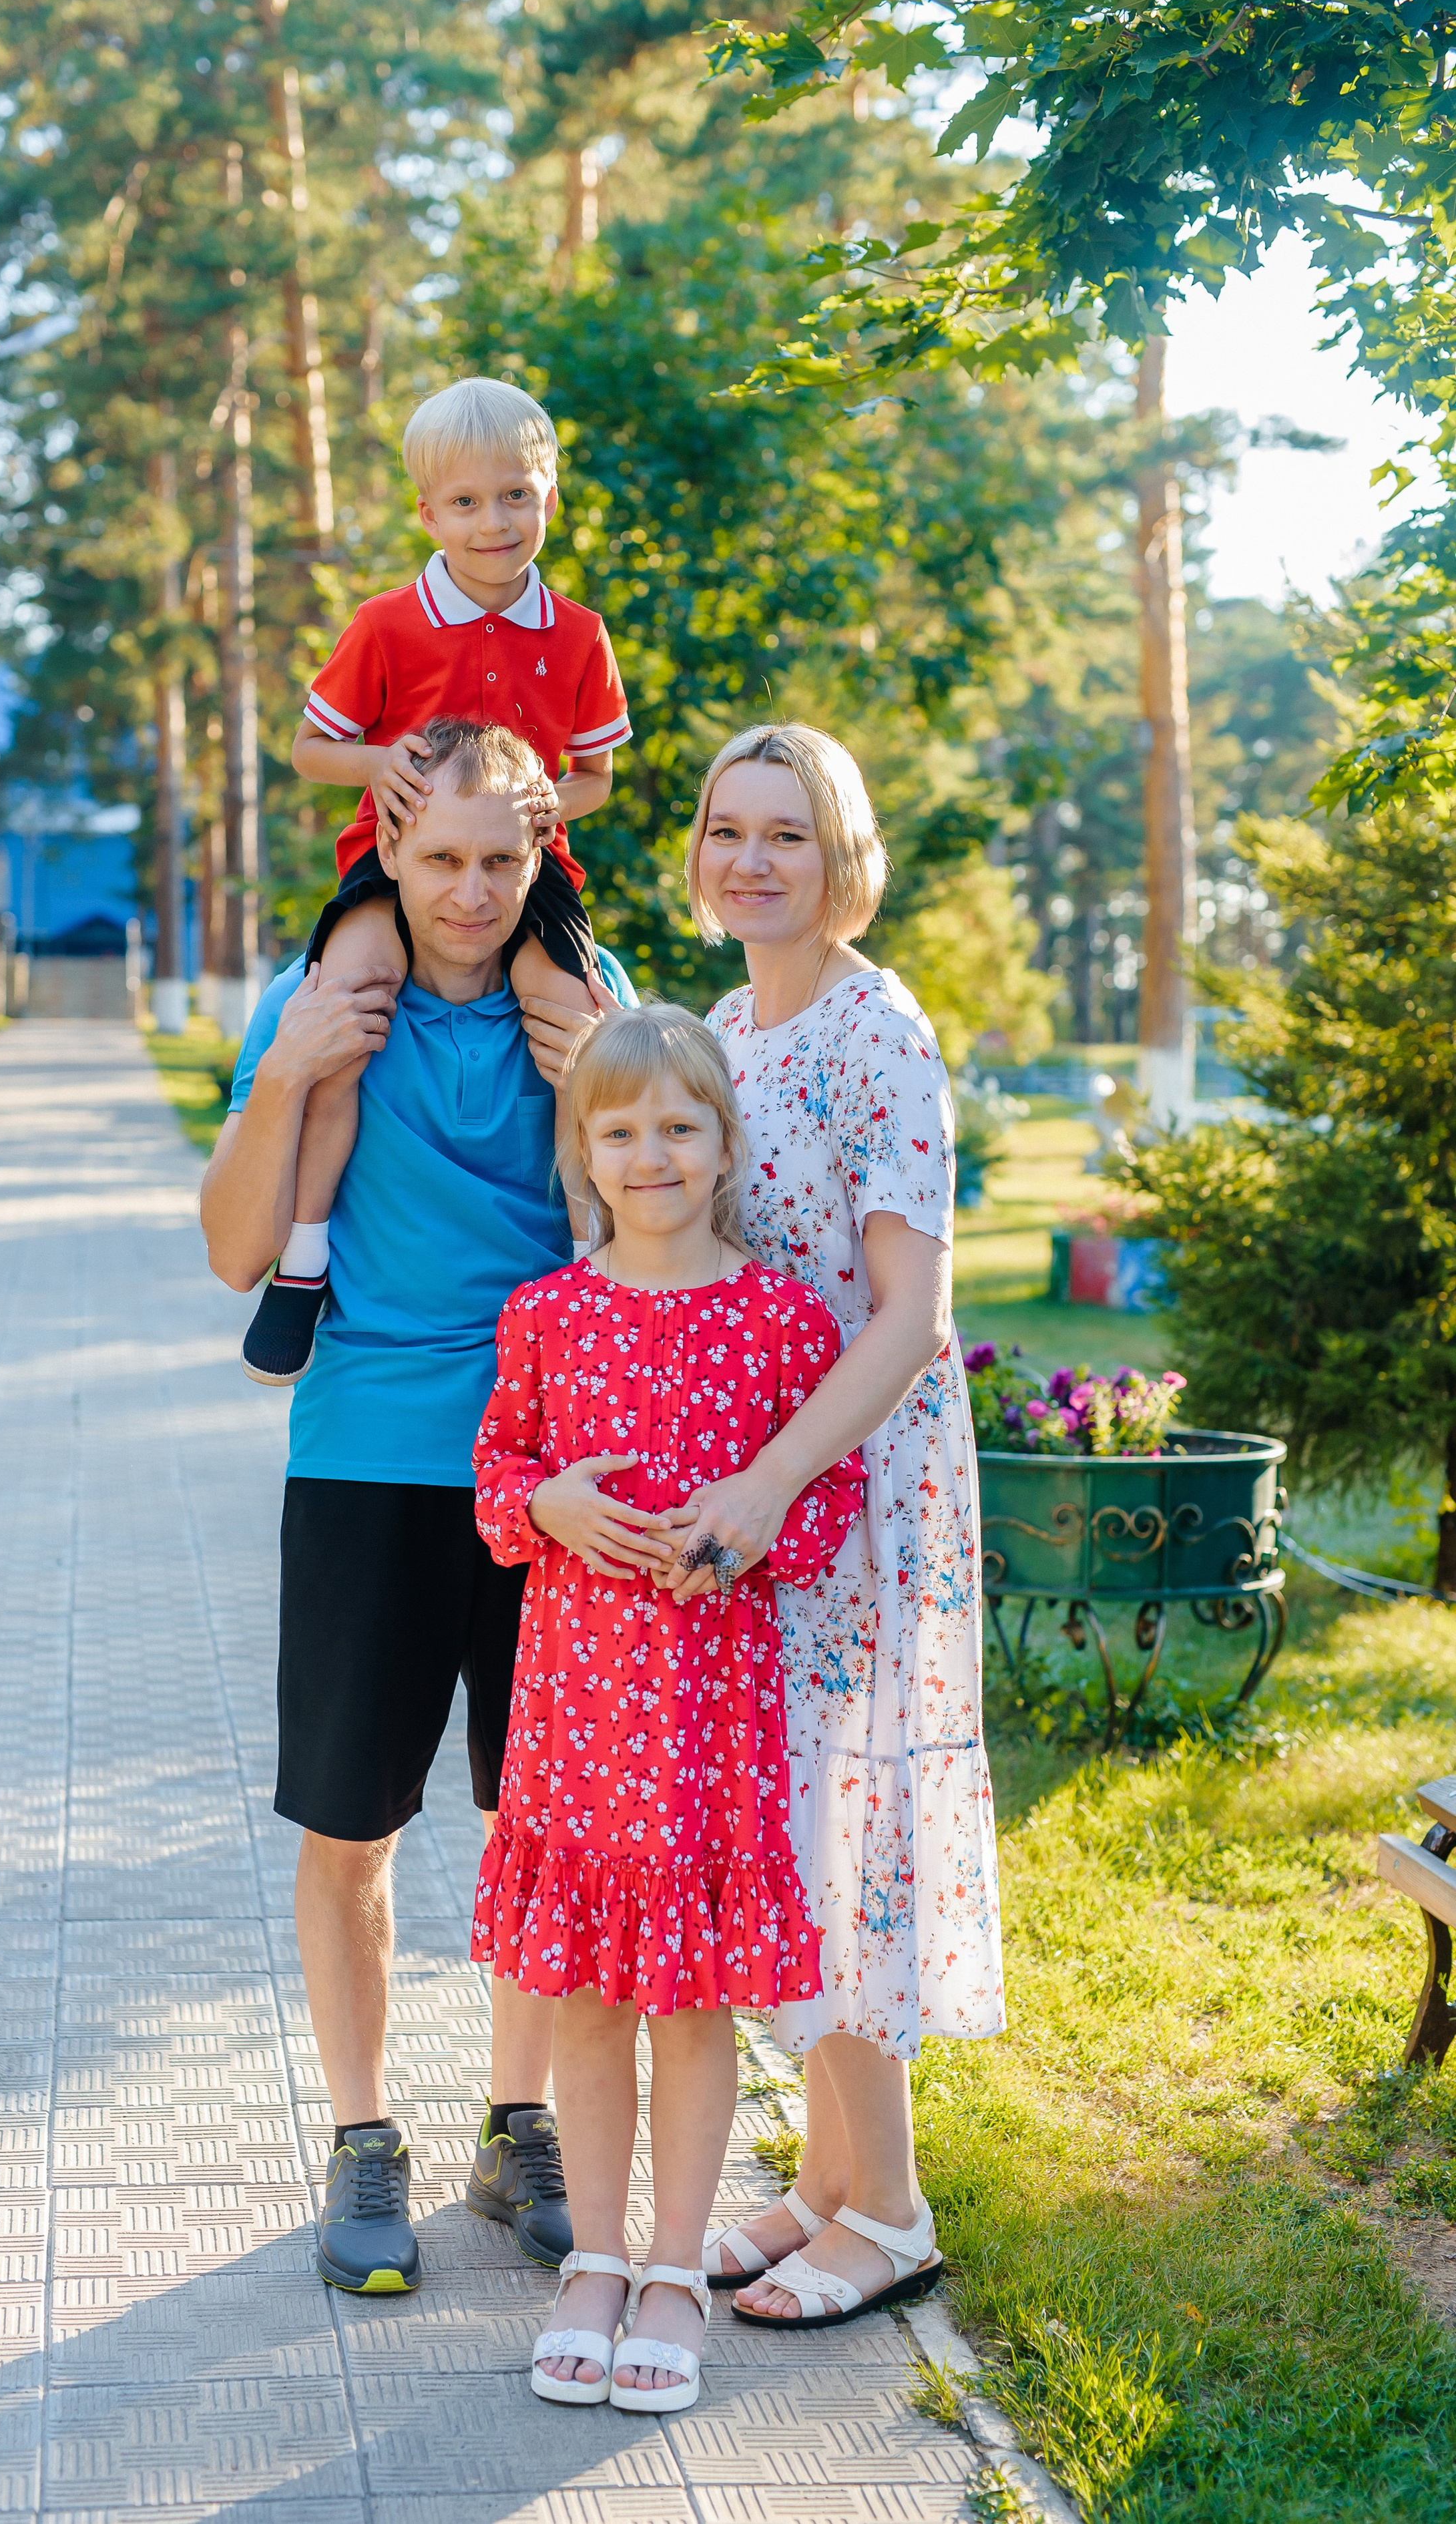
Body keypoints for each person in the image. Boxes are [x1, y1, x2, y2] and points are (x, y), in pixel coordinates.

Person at [199, 717, 628, 2297]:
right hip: (370, 1456)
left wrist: (604, 1095)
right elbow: (237, 1249)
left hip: (559, 1477)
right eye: (438, 858)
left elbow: (670, 1213)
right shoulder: (321, 1006)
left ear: (540, 855)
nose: (467, 891)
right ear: (385, 849)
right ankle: (363, 2137)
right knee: (352, 1824)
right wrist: (291, 1072)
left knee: (540, 1821)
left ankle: (519, 2123)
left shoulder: (588, 1004)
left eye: (500, 859)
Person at [469, 1005, 868, 2411]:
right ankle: (593, 2258)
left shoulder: (774, 1317)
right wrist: (546, 1501)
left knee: (690, 2007)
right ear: (582, 1149)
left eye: (678, 1128)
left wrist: (752, 1527)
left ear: (721, 1144)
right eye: (620, 1129)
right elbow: (498, 1480)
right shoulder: (547, 1313)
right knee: (581, 1996)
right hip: (577, 1716)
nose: (650, 1154)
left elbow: (820, 1494)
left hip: (708, 1721)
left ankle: (677, 2270)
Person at [659, 721, 1007, 2330]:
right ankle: (818, 2183)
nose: (751, 859)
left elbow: (907, 1315)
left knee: (836, 1841)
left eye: (784, 833)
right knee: (780, 1835)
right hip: (750, 1502)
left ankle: (897, 2210)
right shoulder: (723, 1027)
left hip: (855, 1488)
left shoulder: (879, 1029)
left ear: (838, 853)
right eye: (728, 828)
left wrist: (771, 1479)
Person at [242, 375, 633, 1386]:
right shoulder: (388, 625)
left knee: (573, 1034)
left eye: (517, 495)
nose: (494, 521)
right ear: (428, 512)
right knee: (348, 1015)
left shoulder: (579, 634)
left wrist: (551, 807)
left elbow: (594, 779)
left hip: (523, 874)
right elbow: (306, 748)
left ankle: (599, 1259)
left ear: (551, 494)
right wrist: (379, 765)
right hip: (394, 864)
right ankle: (305, 1258)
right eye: (466, 502)